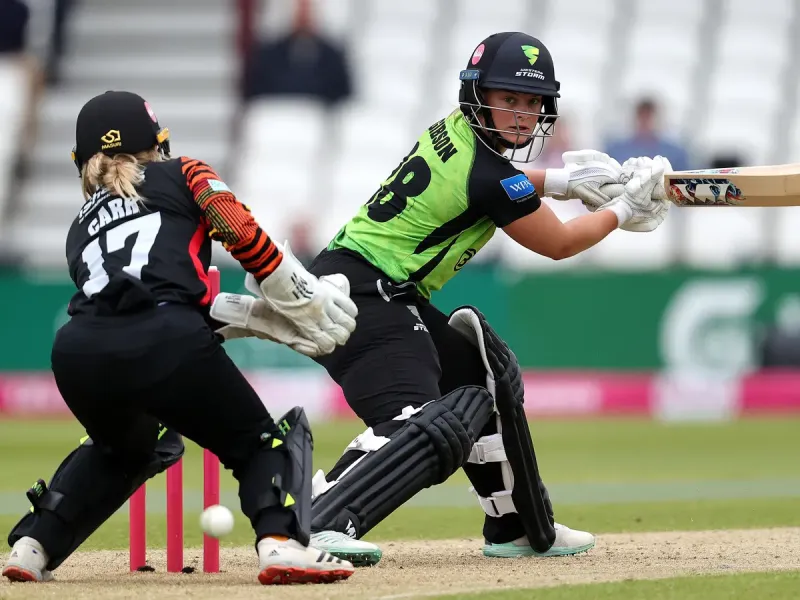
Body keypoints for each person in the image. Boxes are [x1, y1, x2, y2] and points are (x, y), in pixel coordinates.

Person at [286, 32, 670, 565]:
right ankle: (316, 517)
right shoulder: (490, 174)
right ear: (479, 96)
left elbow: (501, 180)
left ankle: (514, 525)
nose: (520, 115)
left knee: (481, 376)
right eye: (508, 99)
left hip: (373, 288)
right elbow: (557, 243)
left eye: (532, 104)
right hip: (362, 297)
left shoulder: (455, 133)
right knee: (418, 420)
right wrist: (624, 209)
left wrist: (566, 181)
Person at [2, 91, 359, 585]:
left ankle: (32, 546)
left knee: (119, 451)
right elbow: (242, 234)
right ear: (158, 142)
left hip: (78, 353)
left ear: (80, 162)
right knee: (263, 444)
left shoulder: (78, 227)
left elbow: (139, 296)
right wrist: (304, 299)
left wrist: (250, 316)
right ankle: (280, 544)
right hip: (166, 339)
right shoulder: (185, 172)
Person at [605, 97, 689, 172]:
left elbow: (685, 181)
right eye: (642, 117)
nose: (645, 122)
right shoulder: (616, 151)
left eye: (648, 117)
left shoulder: (675, 153)